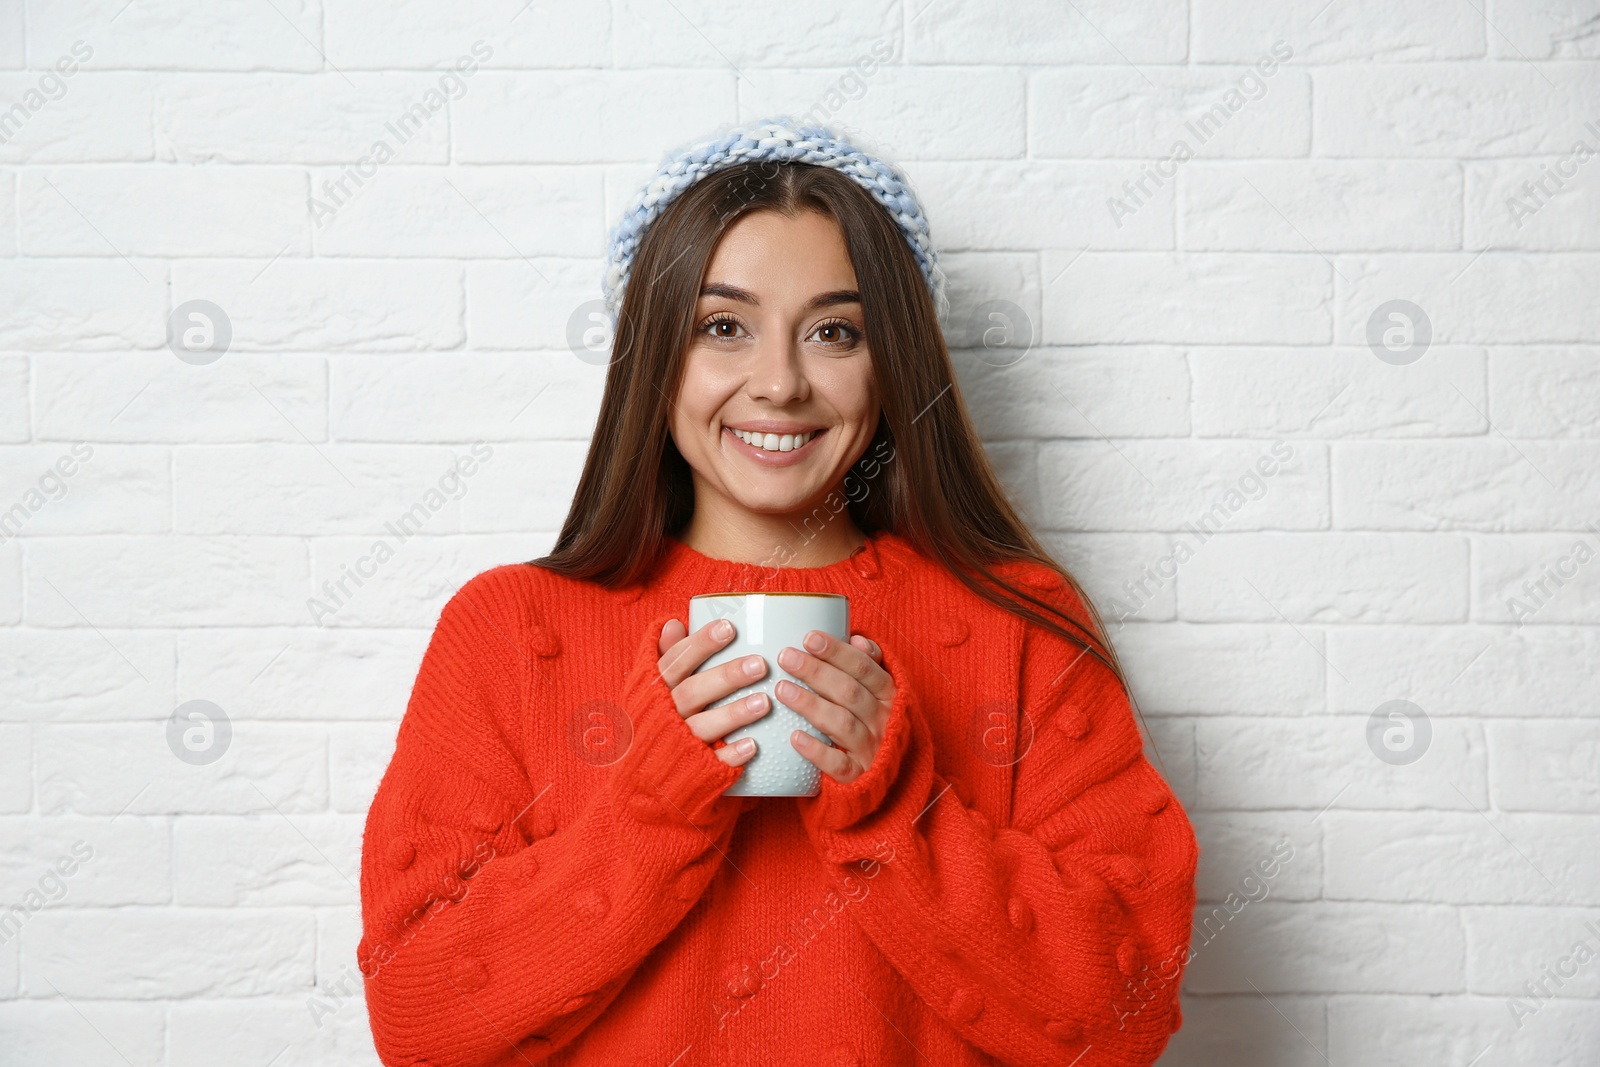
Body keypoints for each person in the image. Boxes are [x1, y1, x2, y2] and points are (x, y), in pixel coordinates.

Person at [357, 118, 1198, 1067]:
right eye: (724, 326)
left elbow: (1123, 1019)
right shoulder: (509, 628)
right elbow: (419, 1023)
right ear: (654, 354)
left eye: (834, 332)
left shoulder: (1016, 623)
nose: (780, 382)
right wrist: (650, 809)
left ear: (893, 363)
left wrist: (900, 811)